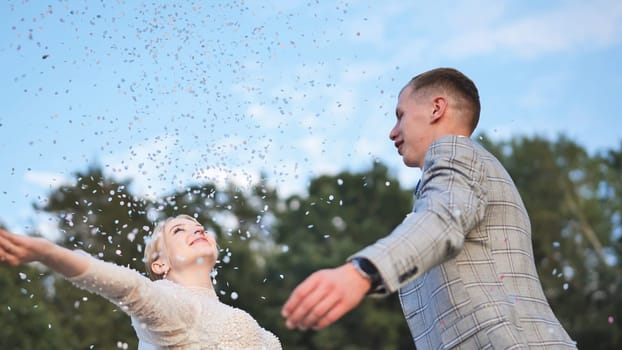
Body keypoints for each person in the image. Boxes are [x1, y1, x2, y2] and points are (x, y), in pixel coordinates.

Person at [281, 68, 577, 349]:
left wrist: (362, 272)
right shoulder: (458, 176)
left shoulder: (454, 150)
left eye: (400, 116)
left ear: (437, 108)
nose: (392, 132)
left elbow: (443, 220)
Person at [0, 214, 281, 350]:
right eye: (178, 229)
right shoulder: (171, 303)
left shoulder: (242, 319)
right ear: (160, 264)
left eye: (199, 227)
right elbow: (131, 287)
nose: (196, 229)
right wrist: (49, 253)